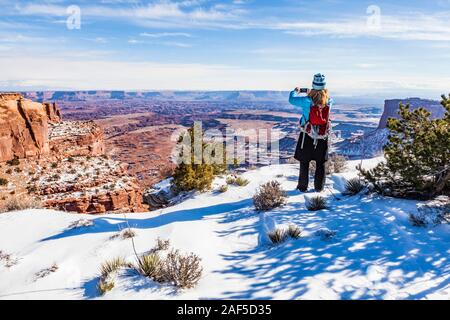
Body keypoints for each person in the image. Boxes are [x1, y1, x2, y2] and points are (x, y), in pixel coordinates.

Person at [288, 73, 333, 192]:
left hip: (306, 135)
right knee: (320, 163)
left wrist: (295, 91)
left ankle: (302, 187)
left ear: (313, 85)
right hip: (322, 135)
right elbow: (322, 99)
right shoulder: (329, 101)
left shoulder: (306, 100)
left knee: (304, 162)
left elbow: (291, 99)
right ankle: (319, 188)